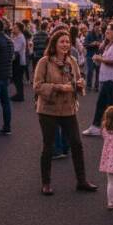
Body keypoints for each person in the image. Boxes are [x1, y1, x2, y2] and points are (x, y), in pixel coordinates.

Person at [33, 30, 97, 195]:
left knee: (76, 143)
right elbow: (37, 86)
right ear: (54, 43)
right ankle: (46, 183)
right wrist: (58, 87)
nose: (65, 45)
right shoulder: (44, 62)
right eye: (62, 41)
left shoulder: (72, 61)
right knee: (48, 146)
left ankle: (81, 181)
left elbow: (76, 82)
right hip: (48, 109)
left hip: (68, 109)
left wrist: (80, 84)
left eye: (67, 42)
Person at [83, 23, 113, 136]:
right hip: (108, 78)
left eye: (108, 30)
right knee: (110, 104)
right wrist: (100, 59)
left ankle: (99, 126)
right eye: (106, 30)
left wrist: (100, 59)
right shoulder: (110, 44)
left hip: (112, 78)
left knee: (105, 104)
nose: (106, 32)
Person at [9, 22, 28, 102]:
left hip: (19, 61)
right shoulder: (16, 37)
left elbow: (16, 50)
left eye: (15, 27)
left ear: (19, 29)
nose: (13, 28)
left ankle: (20, 95)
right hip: (18, 61)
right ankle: (19, 94)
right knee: (17, 78)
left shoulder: (20, 37)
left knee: (18, 79)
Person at [83, 21, 102, 92]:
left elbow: (102, 44)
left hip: (97, 55)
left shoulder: (100, 35)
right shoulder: (89, 34)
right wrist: (92, 44)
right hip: (90, 55)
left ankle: (96, 86)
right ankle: (88, 86)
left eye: (99, 28)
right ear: (94, 27)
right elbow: (85, 44)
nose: (97, 30)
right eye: (96, 28)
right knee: (90, 71)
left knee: (97, 71)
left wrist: (99, 44)